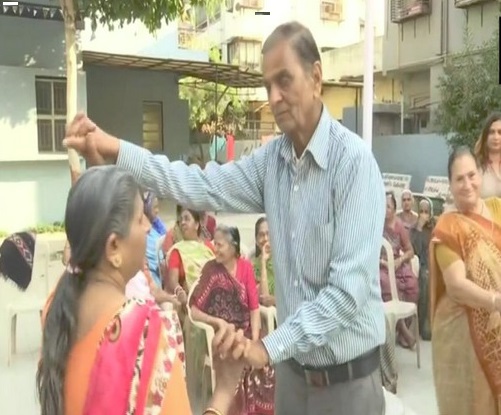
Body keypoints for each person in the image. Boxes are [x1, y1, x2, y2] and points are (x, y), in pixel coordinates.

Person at [63, 21, 386, 415]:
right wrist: (114, 149)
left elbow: (347, 293)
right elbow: (197, 184)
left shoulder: (353, 165)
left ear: (316, 77)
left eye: (285, 80)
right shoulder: (273, 162)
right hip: (293, 381)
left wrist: (267, 347)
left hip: (347, 385)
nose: (275, 96)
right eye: (267, 85)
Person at [37, 166, 246, 415]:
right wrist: (223, 392)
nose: (148, 226)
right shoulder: (148, 333)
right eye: (139, 218)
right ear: (114, 247)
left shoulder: (56, 306)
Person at [430, 147, 501, 415]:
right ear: (450, 185)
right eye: (459, 179)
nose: (467, 184)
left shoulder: (497, 209)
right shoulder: (448, 226)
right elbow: (457, 287)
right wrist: (495, 301)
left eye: (471, 175)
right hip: (465, 339)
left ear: (480, 175)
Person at [190, 226, 274, 415]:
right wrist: (217, 322)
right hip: (222, 336)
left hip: (246, 330)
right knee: (233, 355)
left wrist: (253, 340)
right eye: (215, 244)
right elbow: (194, 311)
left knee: (267, 358)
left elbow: (254, 308)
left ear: (233, 246)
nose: (215, 249)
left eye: (219, 245)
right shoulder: (211, 270)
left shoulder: (245, 267)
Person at [380, 191, 418, 348]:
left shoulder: (399, 226)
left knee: (412, 285)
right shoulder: (376, 224)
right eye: (383, 206)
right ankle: (403, 331)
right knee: (388, 285)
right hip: (380, 265)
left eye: (388, 207)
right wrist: (383, 262)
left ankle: (404, 330)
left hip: (397, 263)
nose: (384, 209)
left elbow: (410, 250)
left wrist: (399, 260)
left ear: (394, 210)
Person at [409, 198, 436, 341]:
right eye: (421, 211)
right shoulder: (414, 229)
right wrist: (419, 229)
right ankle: (422, 325)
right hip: (421, 265)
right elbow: (415, 251)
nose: (424, 215)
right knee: (424, 279)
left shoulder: (435, 227)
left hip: (435, 264)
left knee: (429, 278)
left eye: (426, 212)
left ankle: (430, 323)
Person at [474, 112, 501, 198]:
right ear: (485, 136)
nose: (496, 137)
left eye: (500, 132)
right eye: (491, 132)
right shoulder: (475, 165)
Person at [252, 217, 275, 307]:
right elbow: (264, 300)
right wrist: (263, 262)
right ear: (257, 241)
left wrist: (275, 300)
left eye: (268, 234)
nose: (265, 238)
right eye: (261, 235)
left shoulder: (284, 263)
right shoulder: (253, 267)